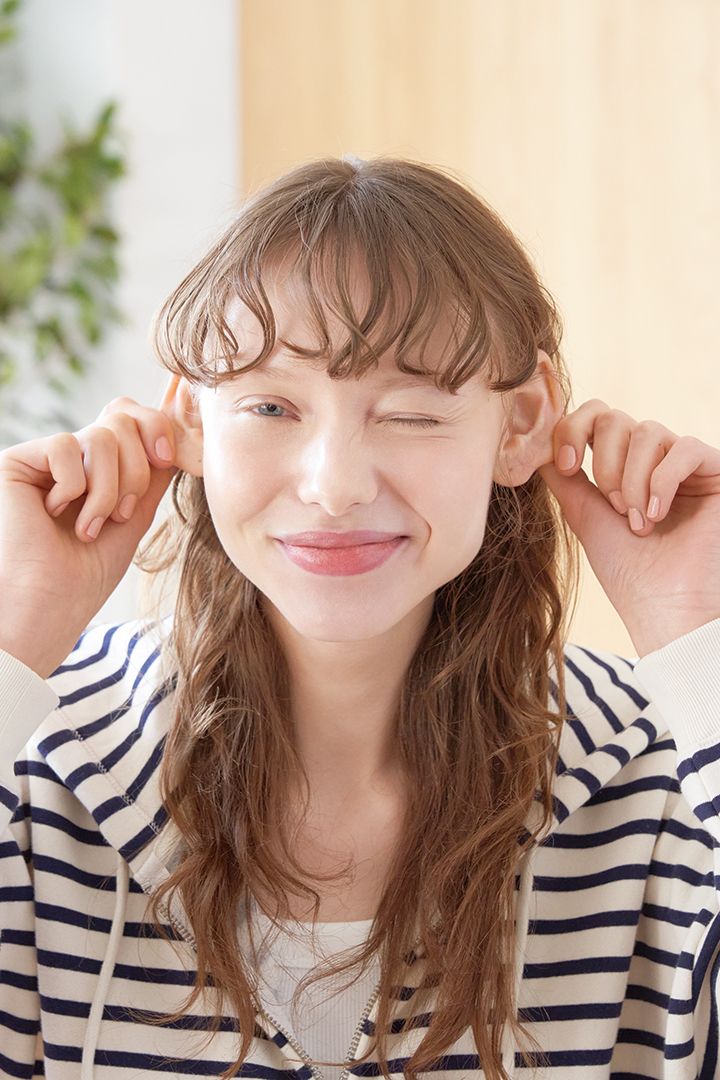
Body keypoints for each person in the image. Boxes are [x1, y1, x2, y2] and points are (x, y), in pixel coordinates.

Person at [0, 155, 719, 1080]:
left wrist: (698, 632)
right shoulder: (41, 759)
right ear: (191, 421)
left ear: (520, 421)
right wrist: (14, 636)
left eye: (412, 414)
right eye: (269, 406)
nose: (334, 485)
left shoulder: (665, 771)